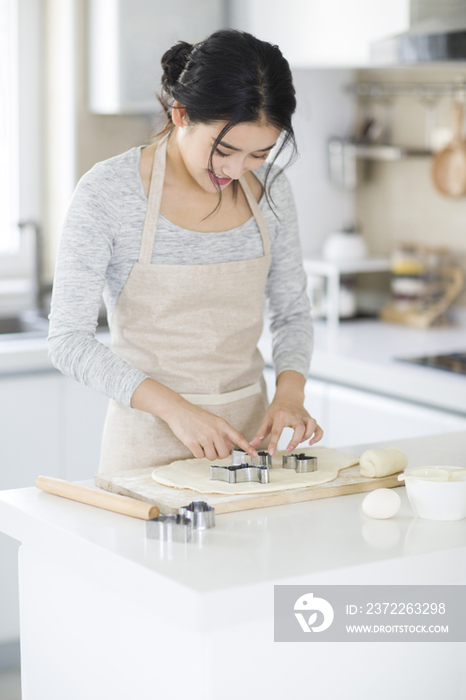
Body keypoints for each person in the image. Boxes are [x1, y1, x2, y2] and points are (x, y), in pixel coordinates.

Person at [48, 29, 323, 474]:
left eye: (259, 153)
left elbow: (291, 311)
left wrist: (290, 394)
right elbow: (68, 341)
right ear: (180, 114)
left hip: (250, 451)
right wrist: (178, 411)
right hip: (145, 445)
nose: (235, 171)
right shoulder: (109, 191)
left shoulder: (271, 188)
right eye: (224, 150)